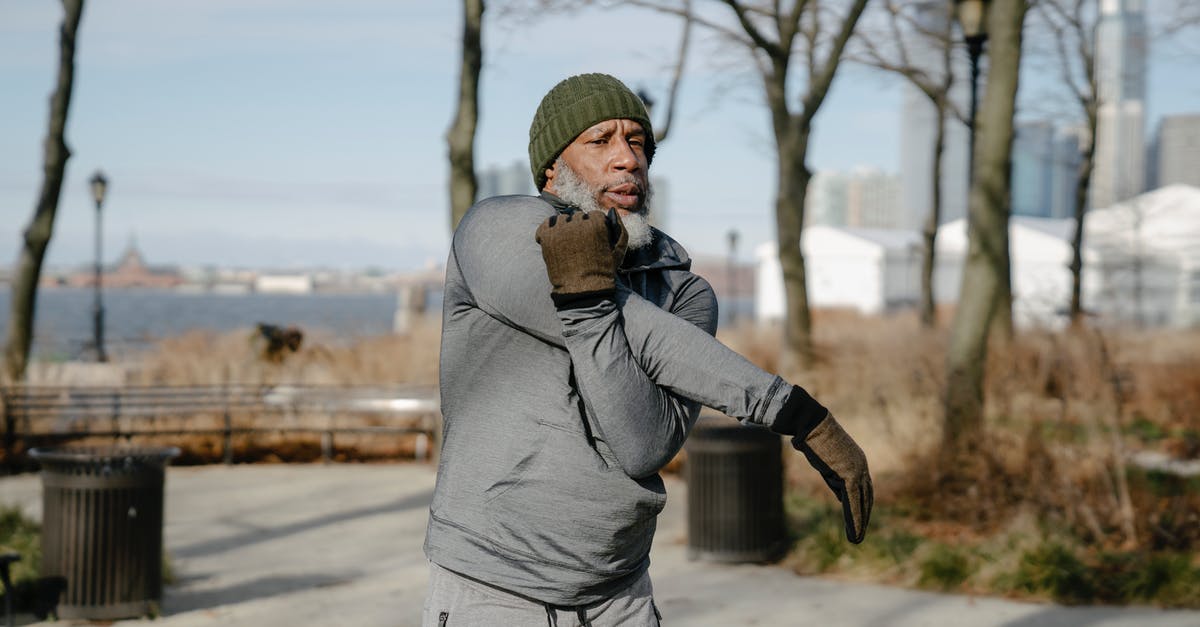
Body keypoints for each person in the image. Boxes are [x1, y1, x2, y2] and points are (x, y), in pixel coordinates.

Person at [423, 73, 872, 626]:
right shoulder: (496, 232)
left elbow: (643, 445)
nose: (626, 158)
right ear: (550, 169)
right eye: (600, 140)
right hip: (494, 589)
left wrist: (588, 307)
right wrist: (796, 412)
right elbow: (641, 331)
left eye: (637, 141)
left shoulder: (681, 291)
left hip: (621, 595)